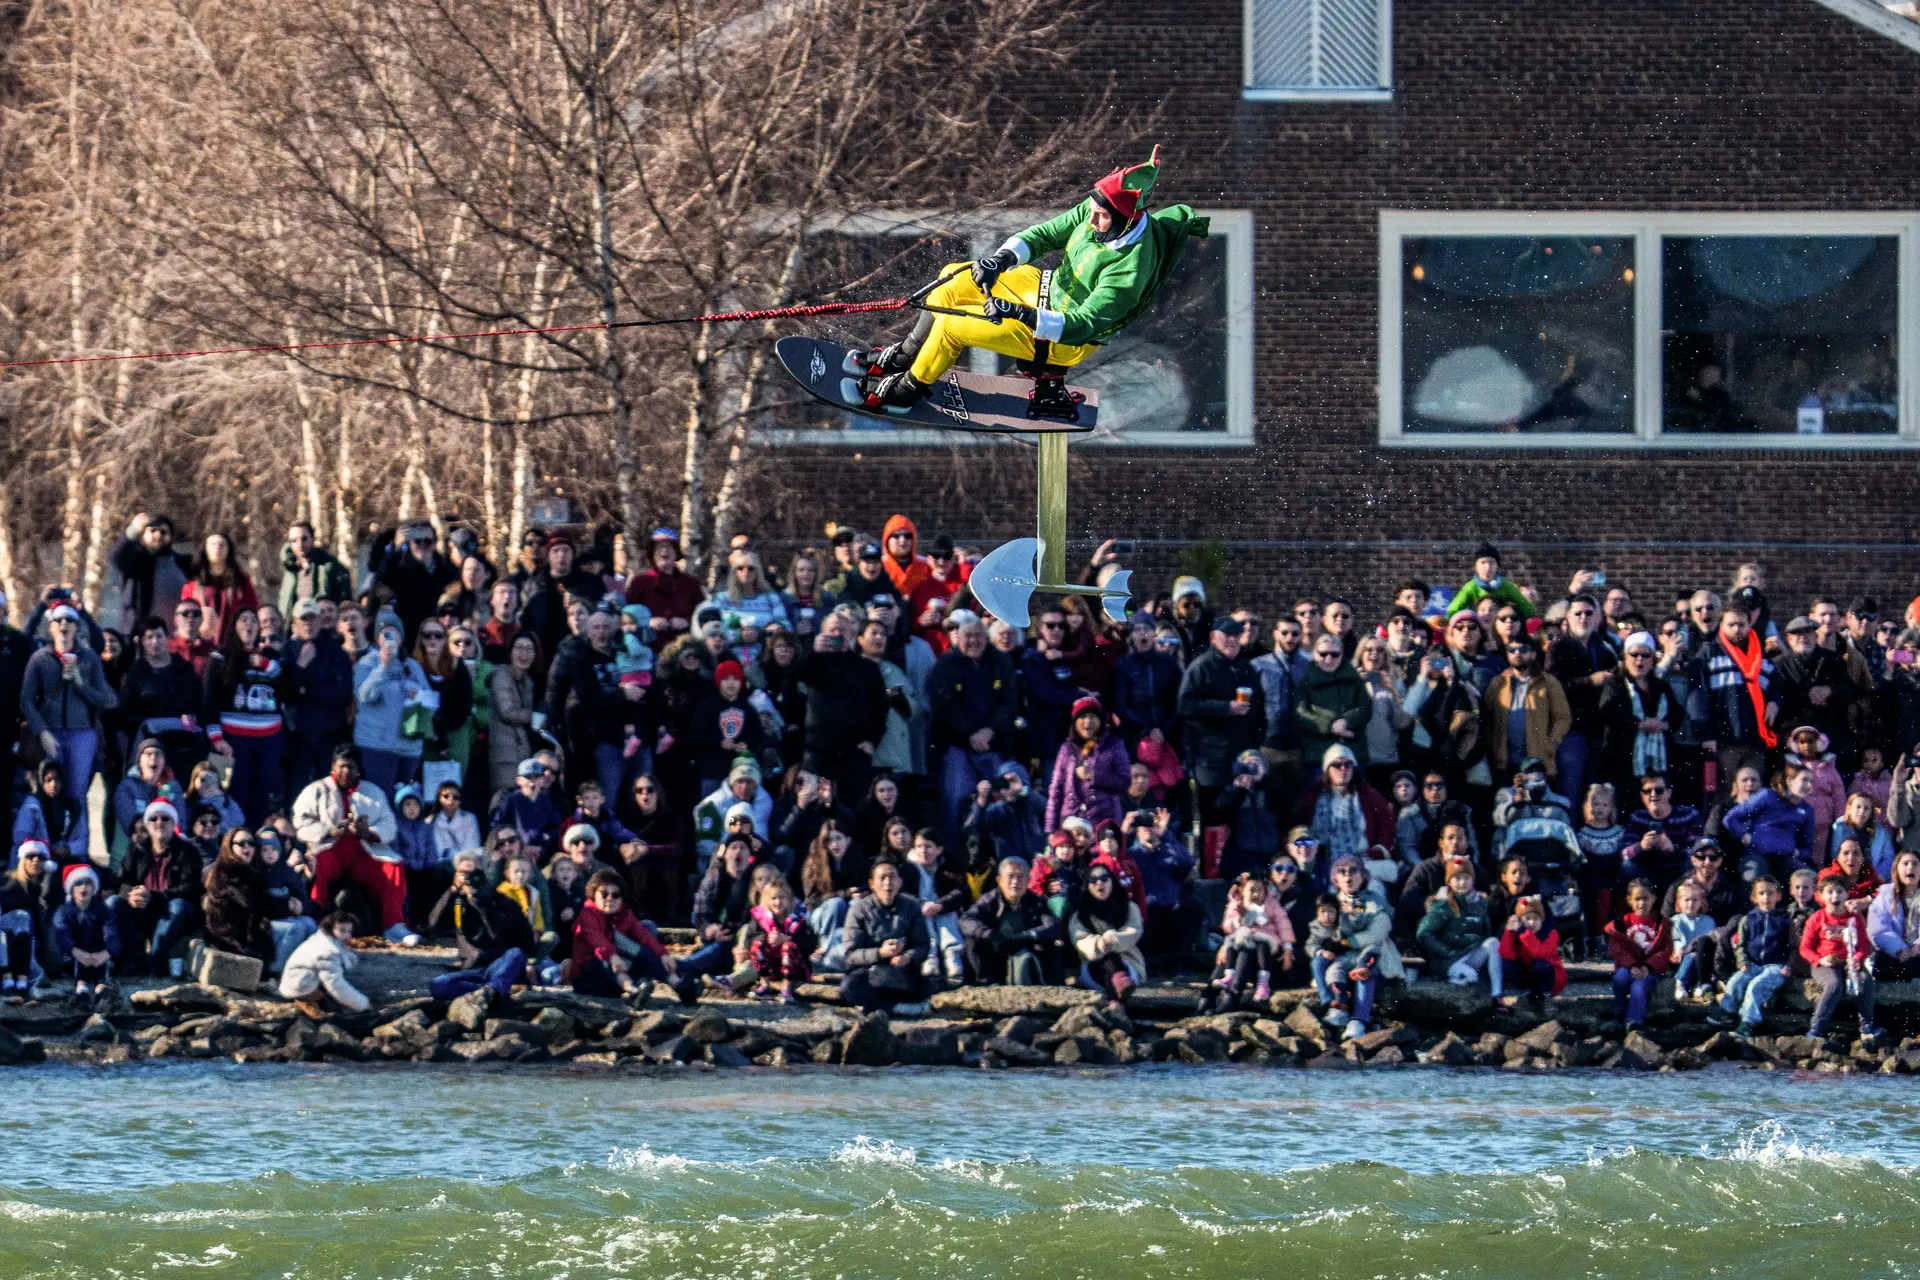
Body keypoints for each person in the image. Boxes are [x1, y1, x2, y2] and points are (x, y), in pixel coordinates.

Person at [855, 146, 1207, 416]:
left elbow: (1082, 324)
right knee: (953, 276)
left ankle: (906, 391)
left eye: (1101, 217)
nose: (1091, 221)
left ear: (1127, 219)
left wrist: (1020, 313)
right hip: (1044, 289)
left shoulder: (1130, 269)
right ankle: (906, 355)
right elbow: (1045, 234)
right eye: (1093, 212)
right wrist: (1002, 259)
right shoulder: (1097, 212)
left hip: (1061, 335)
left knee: (951, 327)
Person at [292, 745, 416, 944]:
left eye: (351, 767)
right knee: (317, 862)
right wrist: (330, 831)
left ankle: (394, 925)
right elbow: (299, 821)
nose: (346, 771)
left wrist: (369, 833)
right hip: (329, 851)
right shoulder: (316, 790)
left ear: (358, 770)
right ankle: (316, 920)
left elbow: (389, 825)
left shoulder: (372, 792)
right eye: (342, 766)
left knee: (392, 867)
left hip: (363, 854)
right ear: (333, 767)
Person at [21, 604, 117, 858]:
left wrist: (80, 683)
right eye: (59, 620)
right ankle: (43, 851)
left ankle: (77, 852)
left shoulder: (89, 658)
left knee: (77, 795)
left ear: (76, 626)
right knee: (47, 792)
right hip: (50, 733)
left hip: (81, 734)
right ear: (51, 627)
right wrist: (42, 731)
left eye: (69, 620)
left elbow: (107, 700)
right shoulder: (39, 658)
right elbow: (26, 701)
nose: (64, 625)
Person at [1177, 617, 1264, 822]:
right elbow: (1185, 706)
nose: (1233, 640)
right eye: (1227, 635)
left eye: (1236, 635)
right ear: (1213, 638)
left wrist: (1256, 744)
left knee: (1238, 817)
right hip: (1210, 759)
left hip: (1241, 755)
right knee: (1213, 815)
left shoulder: (1246, 667)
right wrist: (1225, 708)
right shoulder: (1201, 667)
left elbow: (1260, 709)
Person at [424, 851, 532, 1001]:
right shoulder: (457, 903)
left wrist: (482, 902)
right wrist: (452, 891)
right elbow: (433, 925)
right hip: (473, 970)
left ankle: (493, 989)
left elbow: (512, 939)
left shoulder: (502, 902)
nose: (469, 878)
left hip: (501, 965)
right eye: (463, 873)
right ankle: (491, 991)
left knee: (515, 953)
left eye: (474, 873)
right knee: (438, 984)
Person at [837, 861, 931, 1014]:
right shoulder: (858, 910)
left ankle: (882, 1006)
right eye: (882, 878)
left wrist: (907, 956)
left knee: (926, 985)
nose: (888, 883)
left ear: (900, 882)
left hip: (901, 969)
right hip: (870, 971)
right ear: (872, 884)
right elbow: (851, 955)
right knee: (850, 987)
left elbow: (923, 946)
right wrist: (880, 953)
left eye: (892, 877)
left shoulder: (912, 906)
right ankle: (896, 1008)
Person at [1800, 869, 1884, 1042]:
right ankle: (1816, 1028)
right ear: (1821, 896)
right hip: (1824, 963)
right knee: (1834, 984)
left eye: (1839, 891)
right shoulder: (1817, 918)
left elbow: (1864, 945)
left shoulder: (1854, 917)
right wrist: (1819, 960)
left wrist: (1858, 958)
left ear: (1846, 895)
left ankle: (1867, 1026)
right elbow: (1805, 948)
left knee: (1865, 980)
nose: (1835, 896)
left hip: (1849, 962)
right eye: (1830, 892)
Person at [1322, 856, 1399, 1042]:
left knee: (1365, 973)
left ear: (1363, 876)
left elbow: (1379, 931)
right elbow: (1322, 931)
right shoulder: (1331, 903)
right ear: (1335, 878)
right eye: (1342, 872)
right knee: (1334, 970)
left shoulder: (1375, 900)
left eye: (1353, 871)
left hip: (1372, 955)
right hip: (1342, 958)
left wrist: (1347, 942)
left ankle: (1359, 1020)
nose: (1348, 876)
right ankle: (1339, 1009)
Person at [1709, 876, 1795, 1034]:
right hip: (1753, 964)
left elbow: (1793, 947)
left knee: (1756, 986)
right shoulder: (1748, 919)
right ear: (1755, 897)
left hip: (1775, 966)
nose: (1766, 897)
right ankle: (1727, 1012)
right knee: (1736, 981)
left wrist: (1788, 965)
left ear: (1778, 896)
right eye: (1761, 893)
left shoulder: (1785, 920)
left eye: (1770, 893)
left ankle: (1748, 1022)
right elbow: (1740, 945)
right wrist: (1742, 962)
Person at [352, 620, 428, 796]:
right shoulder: (368, 662)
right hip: (377, 746)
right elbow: (364, 696)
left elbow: (430, 701)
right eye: (385, 634)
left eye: (394, 633)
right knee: (380, 798)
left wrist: (418, 696)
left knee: (404, 802)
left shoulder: (412, 665)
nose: (390, 639)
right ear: (377, 638)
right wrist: (383, 666)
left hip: (409, 747)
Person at [960, 856, 1062, 985]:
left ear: (1028, 880)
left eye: (1020, 877)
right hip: (995, 953)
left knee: (1051, 944)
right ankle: (986, 985)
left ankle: (1053, 987)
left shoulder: (1037, 902)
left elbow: (1053, 926)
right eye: (1010, 876)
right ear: (999, 880)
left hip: (1024, 949)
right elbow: (966, 920)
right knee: (972, 940)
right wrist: (989, 934)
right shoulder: (989, 899)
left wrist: (1027, 935)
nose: (1015, 882)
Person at [1416, 856, 1502, 1001]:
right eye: (1457, 878)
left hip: (1469, 954)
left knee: (1493, 942)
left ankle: (1497, 994)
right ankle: (1452, 985)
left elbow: (1486, 930)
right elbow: (1424, 933)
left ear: (1473, 880)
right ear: (1449, 881)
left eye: (1466, 878)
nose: (1462, 883)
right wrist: (1445, 951)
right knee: (1470, 976)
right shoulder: (1443, 904)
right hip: (1448, 960)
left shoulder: (1479, 903)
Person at [1204, 872, 1291, 1011]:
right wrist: (1239, 916)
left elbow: (1283, 925)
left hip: (1265, 951)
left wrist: (1288, 948)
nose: (1256, 894)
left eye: (1260, 890)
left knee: (1247, 950)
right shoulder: (1237, 903)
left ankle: (1232, 997)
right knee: (1232, 949)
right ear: (1242, 890)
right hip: (1241, 942)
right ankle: (1207, 998)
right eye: (1252, 890)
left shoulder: (1271, 903)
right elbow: (1228, 927)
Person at [1045, 695, 1131, 833]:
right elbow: (1056, 790)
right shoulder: (1066, 749)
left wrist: (1094, 776)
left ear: (1100, 720)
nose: (1087, 722)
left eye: (1092, 717)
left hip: (1103, 825)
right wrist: (1051, 828)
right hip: (1071, 825)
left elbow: (1125, 781)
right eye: (1082, 717)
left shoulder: (1114, 745)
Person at [1722, 763, 1817, 885]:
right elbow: (1731, 818)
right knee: (1753, 879)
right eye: (1804, 780)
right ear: (1790, 781)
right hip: (1757, 853)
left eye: (1811, 781)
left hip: (1784, 857)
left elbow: (1807, 847)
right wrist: (1744, 835)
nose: (1809, 786)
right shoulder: (1768, 795)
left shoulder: (1807, 810)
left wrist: (1797, 852)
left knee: (1810, 879)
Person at [1071, 862, 1148, 1012]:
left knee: (1111, 959)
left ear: (1112, 881)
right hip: (1092, 969)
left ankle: (1115, 1002)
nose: (1099, 883)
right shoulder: (1080, 913)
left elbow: (1134, 930)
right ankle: (1119, 989)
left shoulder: (1128, 907)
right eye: (1093, 880)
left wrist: (1113, 939)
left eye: (1104, 878)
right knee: (1104, 959)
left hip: (1127, 964)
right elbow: (1078, 938)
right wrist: (1099, 944)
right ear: (1087, 885)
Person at [1604, 878, 1669, 1031]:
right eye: (1637, 899)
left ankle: (1634, 1022)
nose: (1641, 903)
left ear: (1653, 898)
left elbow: (1665, 951)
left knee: (1638, 987)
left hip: (1651, 971)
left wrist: (1648, 967)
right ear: (1629, 900)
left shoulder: (1662, 923)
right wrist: (1631, 965)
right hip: (1628, 967)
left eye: (1645, 898)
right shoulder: (1622, 923)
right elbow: (1617, 949)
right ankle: (1620, 1009)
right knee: (1619, 979)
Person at [739, 875, 816, 1003]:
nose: (778, 902)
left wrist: (789, 938)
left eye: (782, 898)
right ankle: (765, 985)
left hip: (796, 969)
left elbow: (811, 944)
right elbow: (749, 940)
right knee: (757, 945)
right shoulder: (760, 918)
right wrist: (766, 938)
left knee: (788, 946)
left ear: (789, 899)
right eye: (774, 898)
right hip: (772, 968)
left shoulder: (798, 918)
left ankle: (787, 988)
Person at [278, 912, 370, 1017]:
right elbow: (336, 985)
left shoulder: (322, 937)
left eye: (349, 931)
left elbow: (341, 955)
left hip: (295, 979)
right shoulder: (327, 951)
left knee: (338, 995)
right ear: (330, 928)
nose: (347, 935)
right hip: (299, 986)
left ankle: (319, 1000)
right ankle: (307, 1001)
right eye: (342, 930)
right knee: (334, 1011)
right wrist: (363, 1004)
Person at [1499, 895, 1567, 1004]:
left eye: (1536, 918)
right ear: (1520, 921)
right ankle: (1523, 991)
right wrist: (1509, 932)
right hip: (1528, 974)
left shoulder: (1550, 933)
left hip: (1551, 978)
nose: (1532, 923)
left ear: (1542, 919)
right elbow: (1507, 954)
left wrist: (1524, 933)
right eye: (1527, 919)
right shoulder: (1518, 933)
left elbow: (1539, 953)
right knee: (1507, 965)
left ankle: (1546, 995)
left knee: (1541, 964)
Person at [1866, 850, 1920, 982]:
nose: (1910, 868)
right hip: (1895, 952)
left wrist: (1918, 945)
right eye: (1905, 863)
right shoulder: (1886, 895)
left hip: (1917, 951)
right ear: (1897, 868)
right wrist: (1900, 949)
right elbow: (1878, 928)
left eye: (1915, 864)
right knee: (1883, 964)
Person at [1668, 881, 1718, 1001]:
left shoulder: (1708, 921)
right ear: (1679, 902)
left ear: (1701, 902)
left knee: (1698, 955)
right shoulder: (1675, 920)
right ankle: (1680, 983)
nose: (1690, 904)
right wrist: (1679, 949)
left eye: (1695, 900)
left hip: (1702, 961)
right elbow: (1676, 939)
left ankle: (1699, 985)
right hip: (1681, 958)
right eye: (1687, 900)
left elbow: (1710, 942)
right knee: (1691, 955)